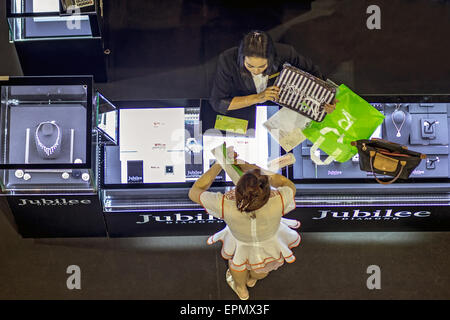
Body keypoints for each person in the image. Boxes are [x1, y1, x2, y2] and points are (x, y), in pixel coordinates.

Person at [188, 152, 300, 300]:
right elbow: (286, 183)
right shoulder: (280, 198)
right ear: (266, 190)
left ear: (238, 189)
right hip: (269, 241)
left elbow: (194, 191)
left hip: (241, 241)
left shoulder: (224, 204)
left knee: (237, 265)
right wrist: (254, 169)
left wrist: (220, 163)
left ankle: (241, 289)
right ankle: (252, 280)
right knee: (261, 270)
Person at [210, 30, 337, 115]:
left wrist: (326, 99)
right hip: (245, 108)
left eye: (262, 66)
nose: (256, 71)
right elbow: (218, 103)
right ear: (241, 58)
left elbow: (313, 73)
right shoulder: (227, 60)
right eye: (250, 66)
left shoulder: (286, 53)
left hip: (285, 107)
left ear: (270, 59)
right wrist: (258, 97)